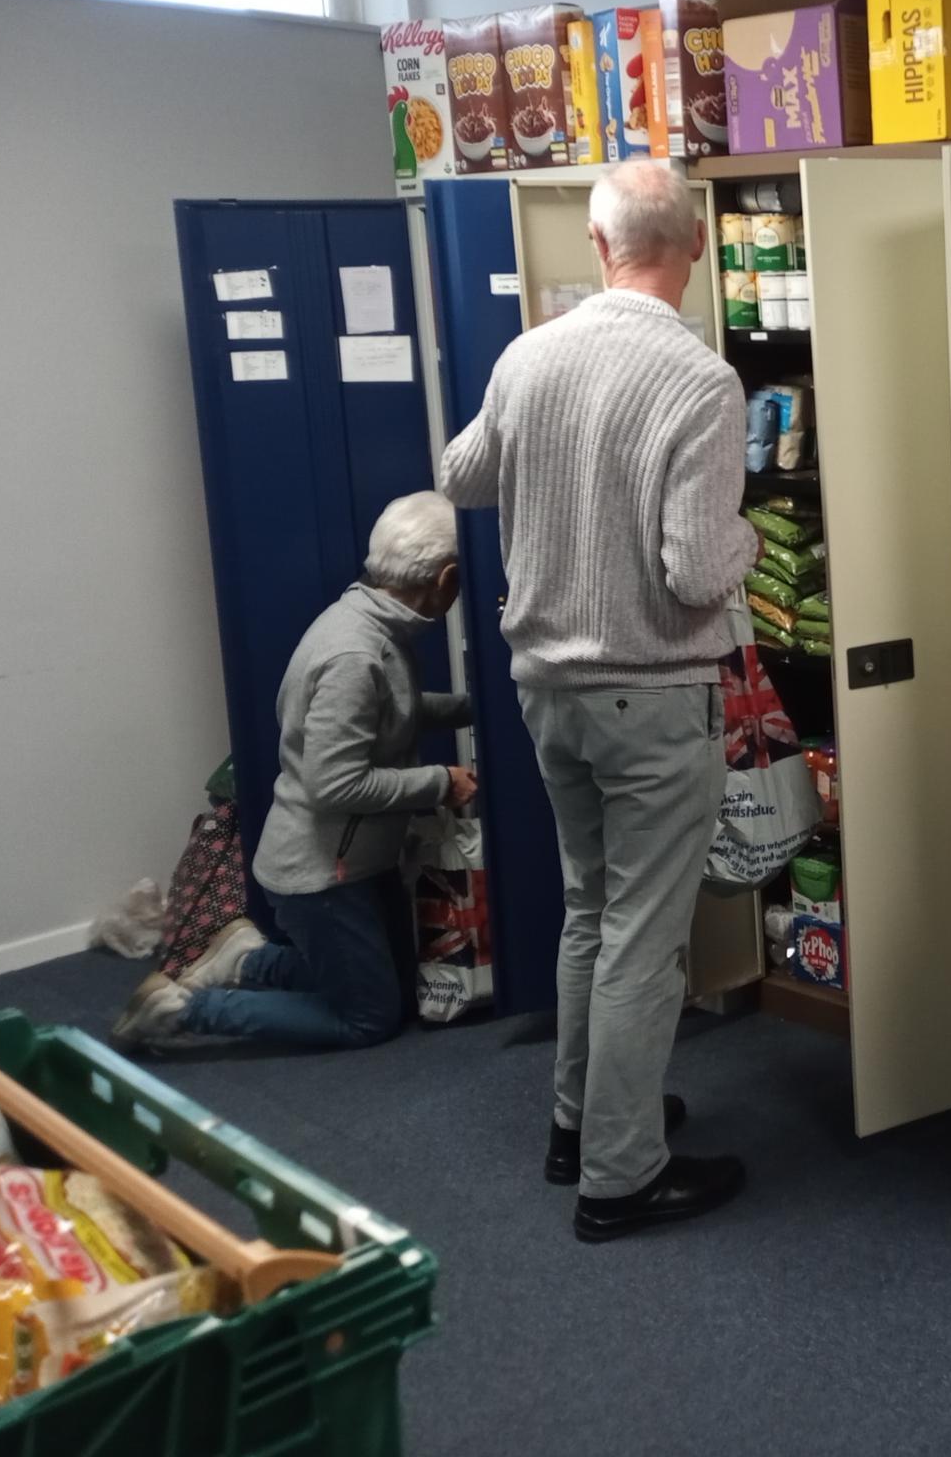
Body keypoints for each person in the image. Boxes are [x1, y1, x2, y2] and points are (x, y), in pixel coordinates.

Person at [438, 160, 756, 1244]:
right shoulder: (701, 381)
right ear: (698, 250)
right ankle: (619, 1179)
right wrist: (751, 539)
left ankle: (581, 1122)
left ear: (597, 243)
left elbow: (460, 473)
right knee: (643, 941)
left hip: (547, 692)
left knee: (589, 909)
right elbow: (697, 571)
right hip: (653, 697)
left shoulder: (531, 354)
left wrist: (552, 449)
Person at [112, 492, 477, 1053]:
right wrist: (440, 782)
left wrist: (473, 708)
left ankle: (247, 959)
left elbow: (391, 711)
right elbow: (338, 784)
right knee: (368, 1017)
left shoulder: (366, 620)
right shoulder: (356, 655)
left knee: (395, 985)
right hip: (320, 877)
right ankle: (185, 1011)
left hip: (344, 863)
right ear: (447, 579)